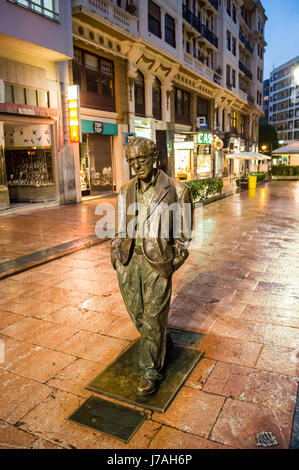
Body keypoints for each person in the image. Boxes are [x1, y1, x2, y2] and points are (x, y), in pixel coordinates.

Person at [111, 137, 193, 397]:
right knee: (138, 316)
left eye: (141, 159)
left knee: (152, 318)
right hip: (128, 261)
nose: (136, 165)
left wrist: (172, 262)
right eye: (131, 161)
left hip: (157, 263)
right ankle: (160, 340)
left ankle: (150, 371)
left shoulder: (178, 190)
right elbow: (119, 228)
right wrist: (115, 254)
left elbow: (184, 235)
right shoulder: (125, 190)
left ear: (155, 156)